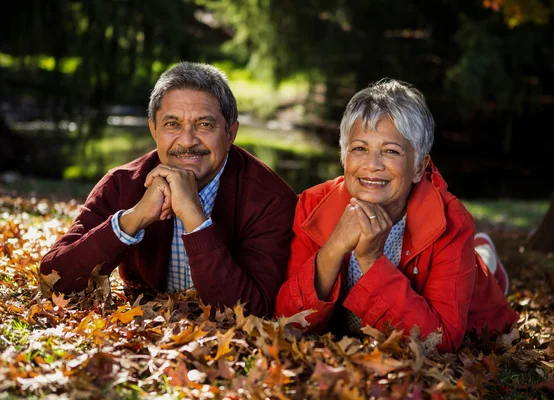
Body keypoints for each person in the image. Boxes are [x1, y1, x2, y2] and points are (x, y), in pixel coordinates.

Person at [274, 79, 519, 352]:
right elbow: (286, 322)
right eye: (359, 148)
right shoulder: (312, 205)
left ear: (418, 167)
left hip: (478, 297)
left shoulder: (452, 222)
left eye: (391, 151)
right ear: (344, 157)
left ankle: (487, 262)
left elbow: (440, 342)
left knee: (483, 278)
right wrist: (334, 248)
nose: (372, 165)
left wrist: (370, 259)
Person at [40, 62, 297, 317]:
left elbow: (253, 313)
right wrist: (135, 218)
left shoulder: (270, 199)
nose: (187, 141)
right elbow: (55, 279)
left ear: (230, 133)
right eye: (172, 124)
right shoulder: (123, 183)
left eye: (204, 125)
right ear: (154, 129)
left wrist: (195, 220)